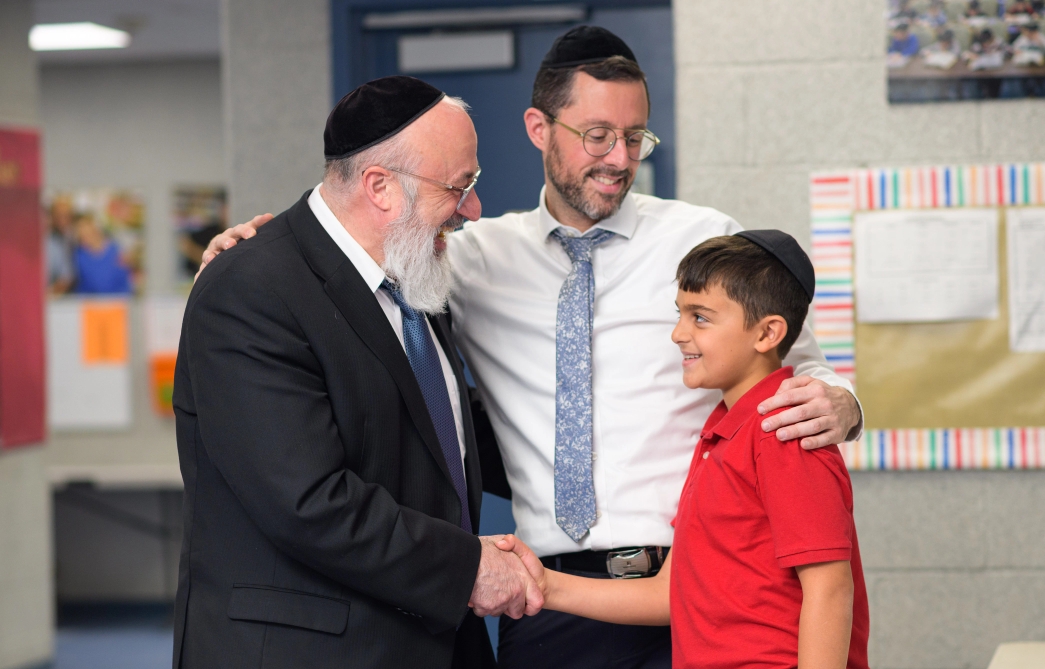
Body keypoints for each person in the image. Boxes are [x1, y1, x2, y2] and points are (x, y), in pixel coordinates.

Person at [201, 27, 864, 668]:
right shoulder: (467, 257)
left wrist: (843, 404)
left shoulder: (702, 240)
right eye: (596, 136)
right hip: (549, 601)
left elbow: (796, 370)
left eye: (634, 138)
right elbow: (355, 258)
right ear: (538, 130)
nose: (618, 159)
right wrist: (250, 252)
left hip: (689, 582)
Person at [172, 76, 542, 669]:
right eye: (460, 186)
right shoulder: (251, 289)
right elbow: (308, 500)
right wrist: (469, 567)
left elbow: (435, 432)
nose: (474, 208)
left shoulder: (413, 275)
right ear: (381, 188)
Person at [497, 230, 869, 669]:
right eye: (680, 313)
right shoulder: (720, 435)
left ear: (768, 333)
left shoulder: (783, 434)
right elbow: (668, 594)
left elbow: (830, 590)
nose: (678, 333)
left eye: (701, 318)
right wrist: (544, 583)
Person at [72, 213, 132, 294]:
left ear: (95, 230)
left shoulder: (117, 250)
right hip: (88, 303)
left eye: (88, 233)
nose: (85, 238)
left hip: (118, 302)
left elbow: (126, 279)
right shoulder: (78, 255)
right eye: (81, 235)